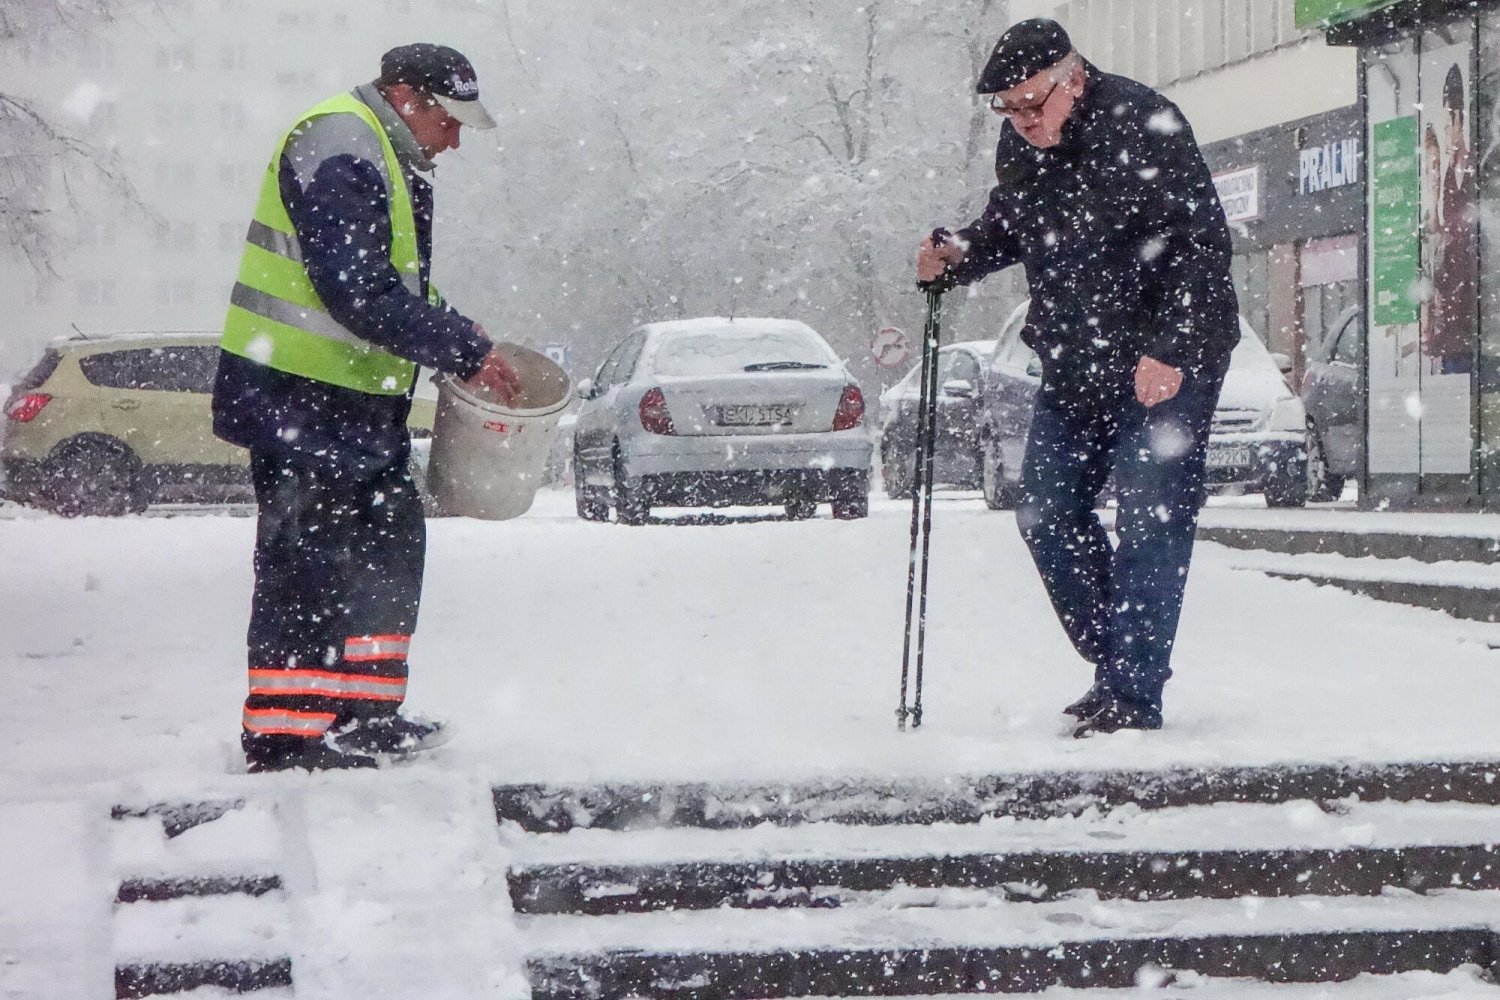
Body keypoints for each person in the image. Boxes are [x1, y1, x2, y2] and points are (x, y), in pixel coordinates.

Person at [915, 19, 1239, 737]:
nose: (1025, 122)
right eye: (1010, 111)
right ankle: (1119, 658)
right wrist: (957, 254)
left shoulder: (1145, 122)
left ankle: (1132, 694)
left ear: (1074, 76)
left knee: (1151, 518)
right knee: (1046, 514)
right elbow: (1010, 226)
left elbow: (1199, 244)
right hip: (1076, 358)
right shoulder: (1022, 144)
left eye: (1035, 104)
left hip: (1167, 362)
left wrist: (1169, 347)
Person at [213, 44, 522, 772]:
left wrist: (463, 333)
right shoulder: (340, 139)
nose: (454, 139)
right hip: (300, 396)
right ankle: (288, 735)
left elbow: (394, 283)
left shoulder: (382, 150)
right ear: (408, 97)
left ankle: (365, 717)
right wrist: (459, 348)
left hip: (350, 403)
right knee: (309, 568)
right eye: (450, 121)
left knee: (384, 552)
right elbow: (352, 288)